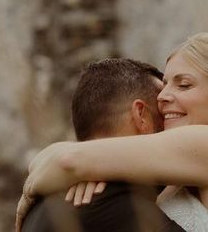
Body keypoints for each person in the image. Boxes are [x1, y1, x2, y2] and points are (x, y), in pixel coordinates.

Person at [22, 33, 208, 231]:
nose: (163, 96)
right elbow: (74, 158)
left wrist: (31, 191)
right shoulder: (183, 172)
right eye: (165, 85)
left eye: (184, 85)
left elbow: (70, 160)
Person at [18, 58, 186, 232]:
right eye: (164, 114)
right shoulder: (117, 203)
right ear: (141, 115)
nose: (171, 128)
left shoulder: (48, 200)